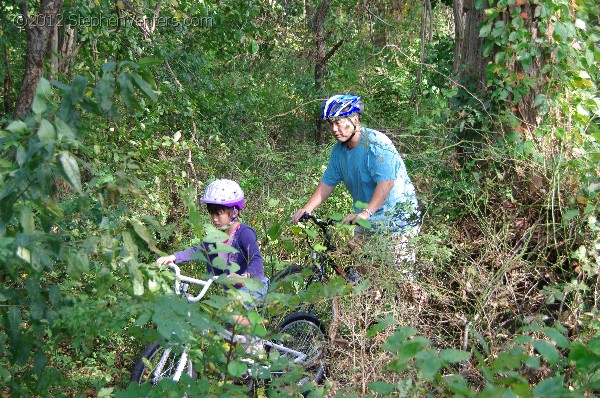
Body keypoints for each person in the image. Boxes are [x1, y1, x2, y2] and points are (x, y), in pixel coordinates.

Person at [292, 94, 420, 270]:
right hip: (367, 222)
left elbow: (386, 184)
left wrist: (365, 214)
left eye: (338, 122)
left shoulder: (376, 143)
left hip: (396, 222)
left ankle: (420, 297)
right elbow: (327, 183)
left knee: (399, 281)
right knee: (365, 277)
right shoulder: (339, 151)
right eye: (331, 123)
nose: (334, 128)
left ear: (355, 119)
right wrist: (307, 209)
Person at [157, 179, 268, 327]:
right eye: (212, 214)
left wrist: (244, 275)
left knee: (230, 315)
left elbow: (256, 260)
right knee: (225, 330)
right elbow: (199, 250)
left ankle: (257, 342)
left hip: (253, 286)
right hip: (233, 292)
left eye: (219, 214)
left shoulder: (244, 233)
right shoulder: (217, 236)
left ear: (234, 211)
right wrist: (174, 257)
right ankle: (239, 344)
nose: (214, 219)